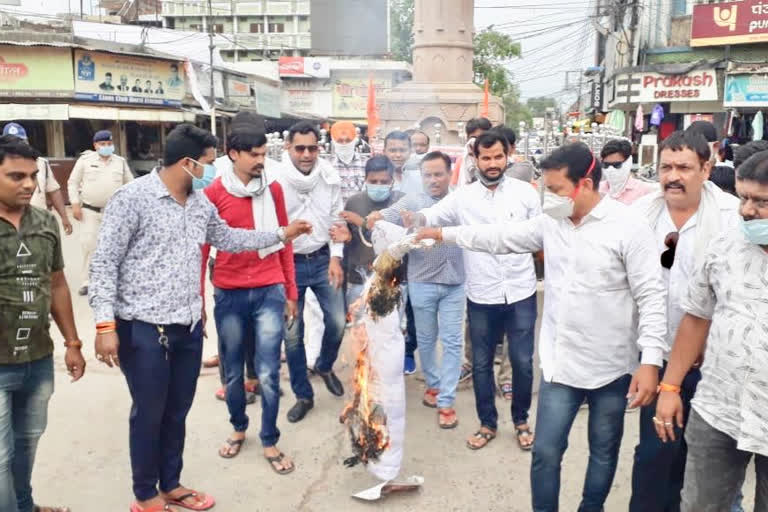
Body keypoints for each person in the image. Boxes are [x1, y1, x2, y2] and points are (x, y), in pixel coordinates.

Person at [416, 142, 667, 512]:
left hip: (612, 367)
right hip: (560, 363)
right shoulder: (552, 221)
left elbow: (651, 296)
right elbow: (500, 236)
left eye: (558, 190)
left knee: (603, 451)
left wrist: (650, 361)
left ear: (585, 183)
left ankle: (590, 507)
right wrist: (443, 234)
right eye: (546, 190)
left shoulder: (628, 226)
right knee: (546, 453)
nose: (550, 198)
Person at [88, 123, 311, 512]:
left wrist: (280, 234)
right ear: (188, 162)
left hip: (187, 327)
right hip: (143, 327)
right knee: (149, 413)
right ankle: (145, 494)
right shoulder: (132, 199)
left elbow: (229, 238)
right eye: (208, 163)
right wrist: (105, 325)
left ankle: (171, 484)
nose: (213, 169)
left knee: (177, 411)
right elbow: (104, 265)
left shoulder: (201, 202)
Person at [406, 132, 541, 450]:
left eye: (498, 157)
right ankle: (487, 424)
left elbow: (537, 236)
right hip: (482, 294)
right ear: (475, 159)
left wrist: (446, 233)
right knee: (480, 363)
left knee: (522, 362)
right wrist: (415, 218)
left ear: (508, 156)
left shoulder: (526, 193)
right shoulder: (463, 197)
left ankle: (521, 421)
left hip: (520, 290)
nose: (492, 164)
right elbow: (431, 216)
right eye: (486, 158)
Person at [629, 130, 741, 512]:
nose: (672, 176)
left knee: (703, 461)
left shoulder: (731, 217)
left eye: (684, 167)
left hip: (714, 363)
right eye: (665, 167)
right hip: (657, 356)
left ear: (706, 169)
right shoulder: (640, 215)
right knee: (655, 454)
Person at [654, 149, 768, 512]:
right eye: (743, 197)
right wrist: (670, 387)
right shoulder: (725, 244)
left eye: (761, 201)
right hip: (719, 408)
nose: (748, 210)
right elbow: (697, 317)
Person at [201, 128, 297, 473]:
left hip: (269, 288)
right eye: (254, 155)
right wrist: (198, 297)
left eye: (263, 154)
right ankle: (239, 427)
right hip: (229, 291)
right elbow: (202, 248)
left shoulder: (272, 190)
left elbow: (284, 238)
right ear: (233, 155)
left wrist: (290, 291)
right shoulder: (213, 193)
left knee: (270, 372)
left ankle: (270, 438)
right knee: (232, 372)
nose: (261, 161)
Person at [0, 135, 85, 512]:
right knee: (0, 458)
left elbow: (57, 283)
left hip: (37, 359)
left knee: (27, 443)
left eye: (33, 175)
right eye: (16, 176)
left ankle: (24, 503)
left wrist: (72, 343)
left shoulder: (43, 222)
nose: (30, 185)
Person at [373, 151, 466, 429]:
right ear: (421, 176)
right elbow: (385, 215)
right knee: (426, 339)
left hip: (455, 282)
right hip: (422, 281)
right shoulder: (413, 201)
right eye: (428, 175)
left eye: (439, 174)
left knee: (452, 342)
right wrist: (374, 216)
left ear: (450, 174)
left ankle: (446, 401)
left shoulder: (461, 200)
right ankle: (434, 385)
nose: (434, 180)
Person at [274, 121, 346, 423]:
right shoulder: (274, 179)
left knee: (338, 321)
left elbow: (336, 220)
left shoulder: (329, 176)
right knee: (293, 335)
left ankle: (325, 365)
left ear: (320, 148)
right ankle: (304, 395)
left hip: (320, 261)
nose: (306, 154)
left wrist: (336, 257)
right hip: (287, 263)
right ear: (288, 147)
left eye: (312, 148)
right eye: (300, 148)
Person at [68, 130, 134, 296]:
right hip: (90, 210)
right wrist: (75, 203)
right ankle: (88, 282)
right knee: (90, 246)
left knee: (117, 246)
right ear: (95, 145)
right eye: (102, 144)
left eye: (109, 144)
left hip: (115, 213)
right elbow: (73, 182)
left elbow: (130, 185)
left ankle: (116, 280)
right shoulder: (85, 161)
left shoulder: (120, 162)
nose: (106, 147)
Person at [334, 155, 404, 308]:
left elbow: (397, 237)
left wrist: (363, 222)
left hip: (391, 280)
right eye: (373, 181)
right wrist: (347, 237)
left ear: (392, 181)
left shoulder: (400, 203)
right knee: (359, 328)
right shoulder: (354, 202)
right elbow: (350, 240)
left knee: (390, 330)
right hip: (359, 279)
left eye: (384, 182)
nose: (378, 185)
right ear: (365, 180)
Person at [2, 123, 72, 235]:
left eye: (21, 141)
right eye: (12, 142)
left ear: (27, 142)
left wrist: (64, 217)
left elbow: (53, 191)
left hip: (38, 223)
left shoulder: (41, 163)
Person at [599, 138, 655, 204]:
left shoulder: (643, 191)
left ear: (628, 163)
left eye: (616, 165)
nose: (611, 170)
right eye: (606, 165)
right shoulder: (597, 189)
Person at [330, 121, 367, 203]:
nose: (344, 144)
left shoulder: (366, 164)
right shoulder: (328, 166)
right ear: (334, 142)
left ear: (354, 140)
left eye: (348, 140)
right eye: (340, 141)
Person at [451, 117, 492, 188]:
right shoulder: (462, 160)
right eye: (474, 138)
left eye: (482, 137)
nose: (477, 141)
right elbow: (454, 185)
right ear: (467, 138)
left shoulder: (495, 160)